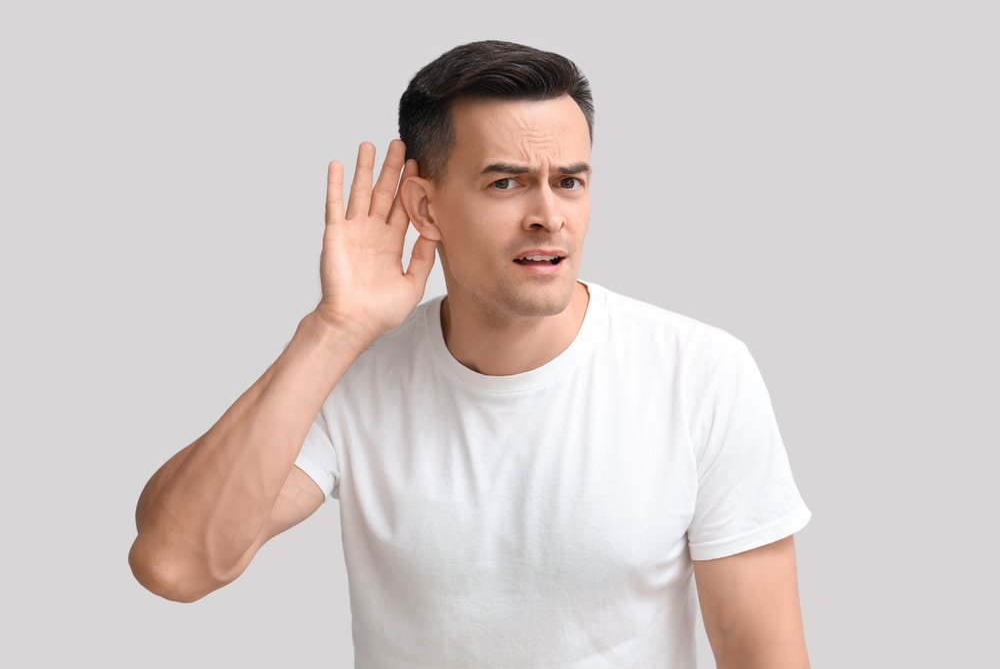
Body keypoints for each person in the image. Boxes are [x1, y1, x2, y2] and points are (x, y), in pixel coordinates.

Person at [129, 40, 811, 668]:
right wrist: (334, 328)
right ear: (425, 208)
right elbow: (176, 562)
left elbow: (765, 655)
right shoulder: (355, 375)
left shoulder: (701, 375)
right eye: (505, 183)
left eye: (570, 181)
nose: (550, 215)